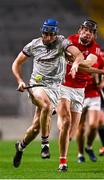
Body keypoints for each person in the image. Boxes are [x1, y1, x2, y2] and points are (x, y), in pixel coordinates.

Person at [12, 18, 92, 168]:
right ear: (42, 32)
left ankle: (20, 146)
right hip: (36, 86)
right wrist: (20, 81)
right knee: (47, 107)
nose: (48, 38)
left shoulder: (62, 43)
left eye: (51, 35)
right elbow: (17, 63)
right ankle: (45, 144)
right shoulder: (34, 44)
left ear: (56, 34)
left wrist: (75, 63)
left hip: (55, 89)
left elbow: (79, 55)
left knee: (36, 127)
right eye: (45, 34)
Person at [57, 19, 104, 172]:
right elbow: (73, 58)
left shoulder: (95, 48)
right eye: (85, 30)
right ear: (80, 30)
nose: (87, 34)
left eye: (90, 32)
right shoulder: (70, 40)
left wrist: (76, 62)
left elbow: (88, 64)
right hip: (64, 85)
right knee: (66, 121)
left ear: (94, 35)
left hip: (80, 90)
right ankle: (63, 162)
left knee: (71, 133)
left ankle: (73, 149)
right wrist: (78, 62)